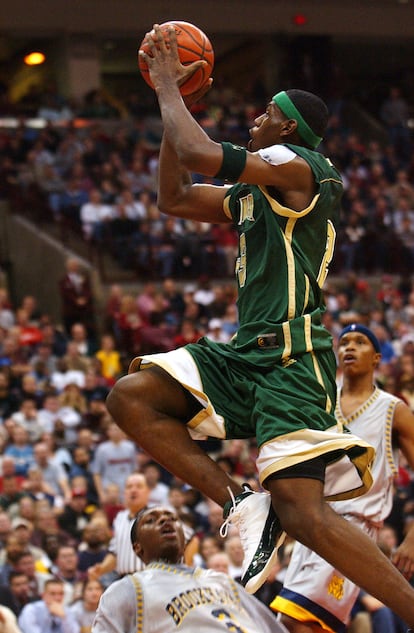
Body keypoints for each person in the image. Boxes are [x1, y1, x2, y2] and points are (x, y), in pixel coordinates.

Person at [106, 24, 414, 629]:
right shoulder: (253, 192)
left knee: (307, 516)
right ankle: (240, 502)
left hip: (294, 358)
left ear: (288, 129)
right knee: (131, 396)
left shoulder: (301, 165)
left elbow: (199, 155)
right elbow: (174, 195)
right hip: (249, 353)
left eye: (266, 113)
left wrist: (171, 88)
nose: (254, 117)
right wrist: (180, 104)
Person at [272, 323, 414, 632]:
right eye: (344, 342)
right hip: (312, 524)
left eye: (360, 342)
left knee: (296, 620)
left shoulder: (393, 410)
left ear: (377, 358)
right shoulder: (320, 400)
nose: (349, 347)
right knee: (296, 624)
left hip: (352, 529)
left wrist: (413, 538)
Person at [91, 505, 287, 633]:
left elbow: (273, 628)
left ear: (184, 539)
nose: (164, 521)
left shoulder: (221, 580)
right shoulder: (126, 589)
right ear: (137, 547)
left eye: (172, 518)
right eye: (151, 521)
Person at [87, 472, 150, 582]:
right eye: (129, 487)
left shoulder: (156, 515)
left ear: (148, 492)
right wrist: (101, 569)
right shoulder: (120, 518)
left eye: (139, 486)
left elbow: (189, 539)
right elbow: (115, 553)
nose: (133, 490)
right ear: (124, 493)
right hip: (124, 580)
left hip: (148, 578)